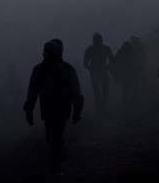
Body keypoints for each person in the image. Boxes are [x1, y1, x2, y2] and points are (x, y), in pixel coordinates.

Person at [23, 39, 84, 173]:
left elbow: (75, 90)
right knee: (52, 136)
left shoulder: (66, 69)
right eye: (46, 52)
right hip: (49, 109)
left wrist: (77, 110)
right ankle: (57, 160)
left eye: (49, 52)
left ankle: (56, 161)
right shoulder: (41, 70)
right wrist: (29, 110)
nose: (46, 55)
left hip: (61, 109)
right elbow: (33, 91)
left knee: (55, 135)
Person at [83, 33, 113, 115]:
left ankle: (101, 107)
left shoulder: (100, 49)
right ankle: (100, 108)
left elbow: (112, 60)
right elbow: (85, 63)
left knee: (103, 91)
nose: (98, 42)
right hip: (97, 72)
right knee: (98, 91)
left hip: (100, 72)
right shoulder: (94, 49)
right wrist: (91, 69)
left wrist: (107, 68)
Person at [110, 41, 139, 110]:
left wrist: (116, 77)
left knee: (129, 91)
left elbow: (138, 63)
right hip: (126, 76)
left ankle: (131, 106)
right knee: (128, 91)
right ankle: (130, 106)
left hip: (129, 76)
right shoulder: (122, 53)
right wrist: (116, 77)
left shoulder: (122, 53)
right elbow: (114, 66)